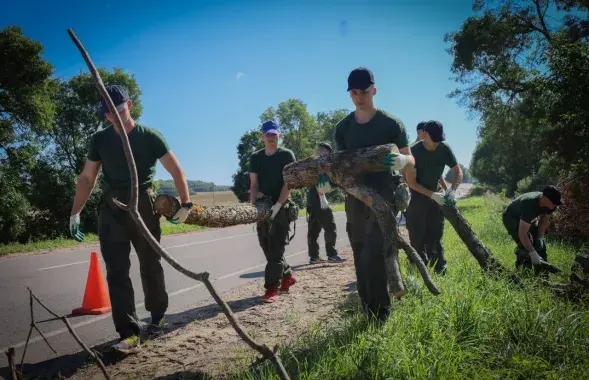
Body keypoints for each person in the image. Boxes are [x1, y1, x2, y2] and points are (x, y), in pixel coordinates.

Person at [68, 85, 192, 355]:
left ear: (130, 105)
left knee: (150, 265)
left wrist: (186, 203)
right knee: (116, 273)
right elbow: (88, 178)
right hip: (111, 209)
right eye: (109, 112)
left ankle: (157, 317)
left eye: (119, 109)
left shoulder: (149, 136)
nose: (114, 115)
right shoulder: (100, 140)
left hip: (144, 205)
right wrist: (75, 211)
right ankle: (129, 334)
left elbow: (175, 169)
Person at [332, 67, 415, 321]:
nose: (359, 97)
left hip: (384, 197)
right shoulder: (343, 128)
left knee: (375, 252)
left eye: (363, 91)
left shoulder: (391, 123)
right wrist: (329, 177)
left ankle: (382, 314)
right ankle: (368, 309)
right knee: (358, 251)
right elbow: (340, 165)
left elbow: (411, 160)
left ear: (374, 90)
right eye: (354, 93)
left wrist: (401, 160)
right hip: (355, 198)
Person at [405, 120, 462, 275]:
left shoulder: (444, 148)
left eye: (439, 139)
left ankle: (439, 269)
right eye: (434, 139)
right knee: (417, 236)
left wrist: (452, 190)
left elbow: (458, 171)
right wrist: (431, 195)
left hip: (435, 194)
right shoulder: (414, 151)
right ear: (425, 134)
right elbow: (411, 182)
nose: (437, 143)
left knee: (435, 233)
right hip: (416, 196)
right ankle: (418, 270)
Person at [249, 120, 298, 303]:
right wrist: (253, 207)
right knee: (266, 247)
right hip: (262, 206)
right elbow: (254, 184)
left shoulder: (287, 155)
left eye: (274, 133)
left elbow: (289, 184)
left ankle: (271, 288)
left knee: (276, 248)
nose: (271, 136)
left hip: (282, 205)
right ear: (262, 136)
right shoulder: (256, 157)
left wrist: (278, 206)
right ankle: (287, 277)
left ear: (280, 135)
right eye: (267, 133)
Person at [501, 185, 563, 272]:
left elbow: (543, 221)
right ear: (545, 198)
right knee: (526, 244)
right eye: (554, 202)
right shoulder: (530, 204)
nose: (556, 205)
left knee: (540, 244)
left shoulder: (551, 205)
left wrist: (540, 238)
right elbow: (522, 233)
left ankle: (542, 275)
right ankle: (523, 271)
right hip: (511, 217)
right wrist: (533, 253)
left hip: (527, 217)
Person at [306, 142, 345, 264]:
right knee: (330, 227)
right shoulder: (320, 164)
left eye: (323, 149)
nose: (320, 151)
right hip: (318, 199)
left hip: (312, 198)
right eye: (320, 149)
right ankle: (331, 255)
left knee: (314, 229)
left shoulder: (312, 163)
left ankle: (314, 257)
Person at [415, 121, 448, 191]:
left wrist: (447, 191)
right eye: (424, 131)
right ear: (418, 132)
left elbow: (438, 174)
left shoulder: (433, 148)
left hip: (433, 190)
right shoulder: (410, 151)